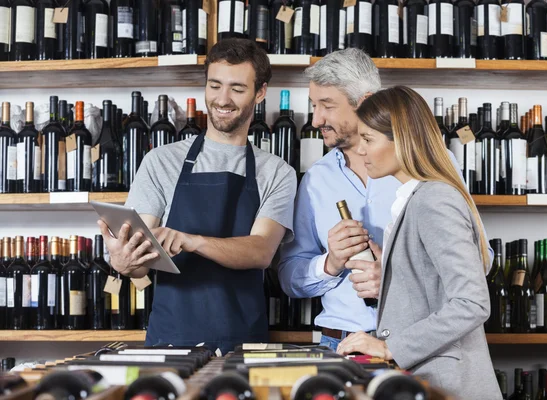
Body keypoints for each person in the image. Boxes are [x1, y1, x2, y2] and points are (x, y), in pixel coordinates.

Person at [278, 48, 491, 351]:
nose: (316, 119)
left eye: (327, 106)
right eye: (313, 105)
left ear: (364, 103)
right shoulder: (316, 179)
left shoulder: (429, 166)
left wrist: (394, 282)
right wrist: (331, 262)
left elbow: (481, 260)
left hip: (418, 345)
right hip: (340, 344)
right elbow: (288, 277)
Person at [97, 39, 297, 353]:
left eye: (237, 88)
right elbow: (139, 264)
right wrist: (123, 259)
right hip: (170, 339)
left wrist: (193, 241)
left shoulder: (277, 171)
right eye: (214, 85)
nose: (223, 99)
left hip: (245, 344)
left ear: (260, 92)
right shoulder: (160, 161)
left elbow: (261, 251)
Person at [335, 86, 501, 400]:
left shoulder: (433, 200)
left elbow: (472, 303)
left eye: (368, 139)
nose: (360, 151)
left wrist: (388, 346)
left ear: (401, 138)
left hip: (449, 384)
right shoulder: (414, 198)